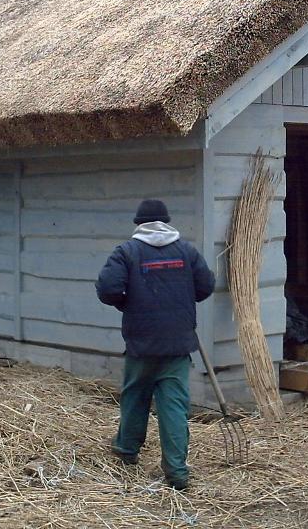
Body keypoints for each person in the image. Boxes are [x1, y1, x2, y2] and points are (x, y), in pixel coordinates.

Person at [96, 198, 215, 490]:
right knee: (174, 405)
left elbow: (107, 288)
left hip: (142, 341)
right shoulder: (186, 251)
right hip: (178, 341)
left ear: (139, 224)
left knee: (135, 396)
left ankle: (126, 450)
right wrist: (182, 302)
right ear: (167, 222)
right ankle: (177, 471)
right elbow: (206, 285)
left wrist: (127, 303)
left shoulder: (127, 251)